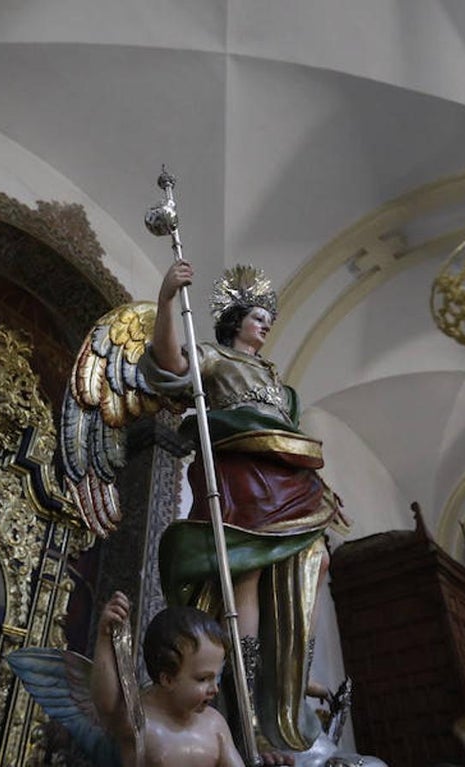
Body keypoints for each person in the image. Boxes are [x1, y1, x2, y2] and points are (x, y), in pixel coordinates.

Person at [139, 261, 350, 763]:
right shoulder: (213, 356)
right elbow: (169, 366)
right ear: (236, 320)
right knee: (247, 574)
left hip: (289, 479)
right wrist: (168, 297)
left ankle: (291, 672)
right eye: (258, 317)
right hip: (243, 479)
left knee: (316, 562)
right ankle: (247, 692)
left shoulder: (280, 383)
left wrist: (322, 487)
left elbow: (292, 437)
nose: (265, 326)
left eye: (267, 320)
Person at [91, 591, 245, 767]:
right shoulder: (137, 723)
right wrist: (105, 636)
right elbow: (107, 704)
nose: (215, 689)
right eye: (202, 679)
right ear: (168, 679)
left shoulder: (215, 724)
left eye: (216, 677)